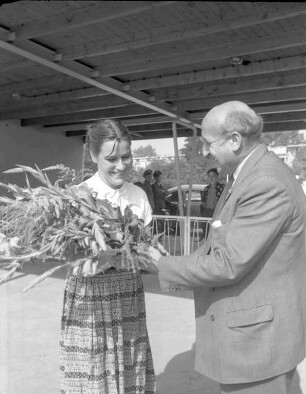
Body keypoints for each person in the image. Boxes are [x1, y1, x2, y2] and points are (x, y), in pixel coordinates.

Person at [140, 101, 306, 394]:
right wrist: (176, 260)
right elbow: (217, 244)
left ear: (234, 140)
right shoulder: (245, 175)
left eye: (207, 143)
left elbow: (229, 262)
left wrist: (161, 265)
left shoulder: (264, 181)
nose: (203, 151)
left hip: (258, 348)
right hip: (254, 343)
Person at [59, 119, 157, 393]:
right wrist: (106, 259)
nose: (121, 165)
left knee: (129, 366)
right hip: (90, 299)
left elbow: (147, 252)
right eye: (112, 158)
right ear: (93, 155)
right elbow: (70, 261)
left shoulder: (138, 195)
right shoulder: (77, 196)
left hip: (128, 296)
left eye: (126, 156)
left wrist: (144, 256)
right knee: (93, 372)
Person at [200, 168, 224, 240]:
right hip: (206, 212)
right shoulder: (206, 189)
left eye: (213, 176)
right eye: (209, 176)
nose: (211, 178)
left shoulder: (222, 188)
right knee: (207, 233)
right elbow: (203, 202)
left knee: (216, 233)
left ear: (217, 177)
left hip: (217, 213)